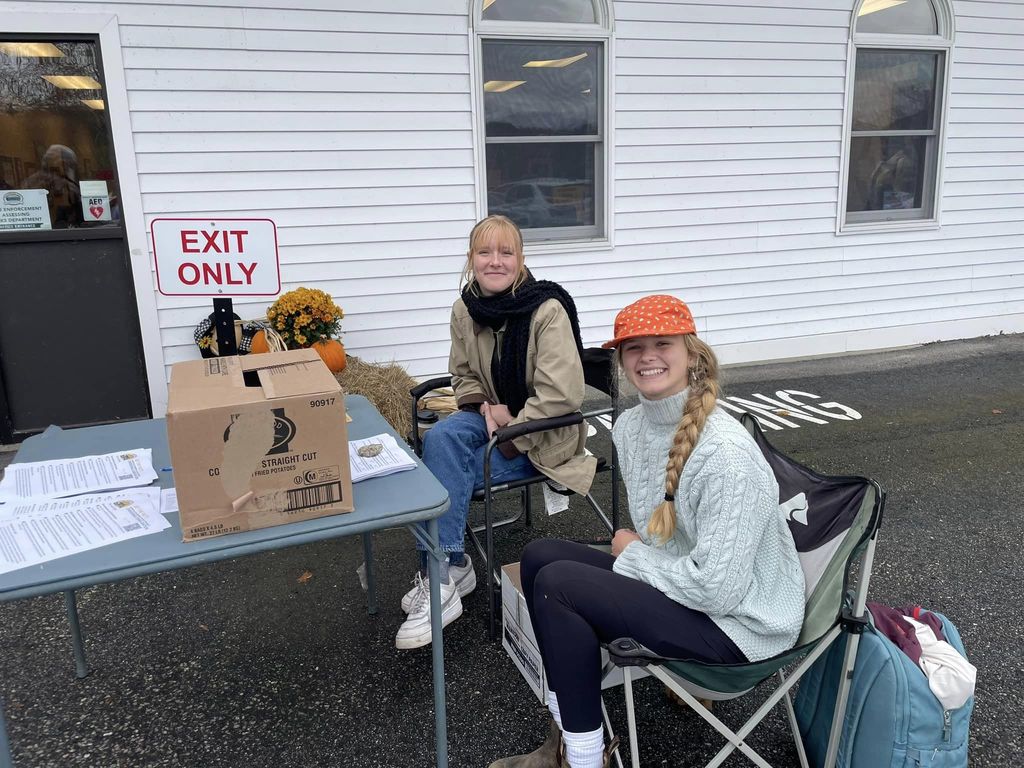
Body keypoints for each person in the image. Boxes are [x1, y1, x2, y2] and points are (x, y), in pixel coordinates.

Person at [489, 295, 805, 768]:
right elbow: (668, 546)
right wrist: (638, 553)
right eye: (633, 347)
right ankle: (565, 739)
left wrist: (632, 554)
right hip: (688, 589)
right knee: (538, 558)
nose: (647, 356)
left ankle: (583, 760)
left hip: (738, 625)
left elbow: (717, 589)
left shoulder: (726, 456)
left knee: (560, 588)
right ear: (619, 360)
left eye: (662, 343)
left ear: (692, 354)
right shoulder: (633, 427)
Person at [395, 214, 596, 650]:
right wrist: (486, 409)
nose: (495, 261)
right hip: (492, 418)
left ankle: (445, 573)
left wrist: (510, 430)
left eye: (506, 252)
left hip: (543, 431)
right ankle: (447, 569)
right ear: (472, 259)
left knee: (443, 468)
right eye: (485, 251)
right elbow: (462, 374)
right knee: (441, 441)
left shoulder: (547, 309)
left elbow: (561, 395)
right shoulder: (465, 308)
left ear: (521, 259)